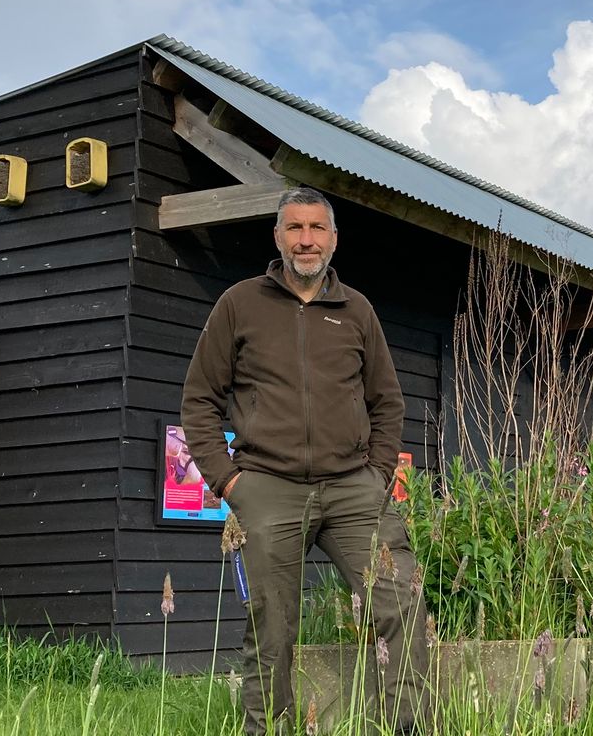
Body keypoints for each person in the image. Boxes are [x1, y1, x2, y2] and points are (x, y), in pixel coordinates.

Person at [181, 186, 430, 733]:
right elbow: (199, 400)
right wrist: (229, 483)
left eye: (317, 228)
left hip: (352, 489)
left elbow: (387, 401)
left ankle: (405, 727)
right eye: (295, 228)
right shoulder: (239, 304)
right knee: (271, 628)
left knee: (402, 608)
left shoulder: (357, 310)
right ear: (277, 237)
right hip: (266, 485)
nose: (307, 239)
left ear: (334, 239)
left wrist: (378, 475)